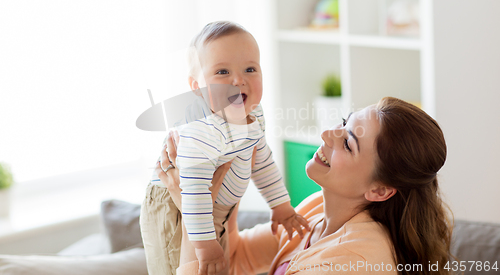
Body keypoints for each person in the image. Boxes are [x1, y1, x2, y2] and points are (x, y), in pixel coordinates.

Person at [157, 97, 454, 275]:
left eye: (348, 143)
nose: (327, 134)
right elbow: (234, 259)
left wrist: (191, 213)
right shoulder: (316, 211)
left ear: (379, 190)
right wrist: (229, 175)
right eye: (343, 122)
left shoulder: (353, 261)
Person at [140, 21, 308, 275]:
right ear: (196, 87)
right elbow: (193, 194)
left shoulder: (255, 114)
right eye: (222, 73)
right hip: (175, 206)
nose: (238, 80)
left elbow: (261, 161)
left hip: (214, 209)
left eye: (250, 69)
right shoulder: (202, 129)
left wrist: (281, 207)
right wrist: (206, 246)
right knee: (178, 267)